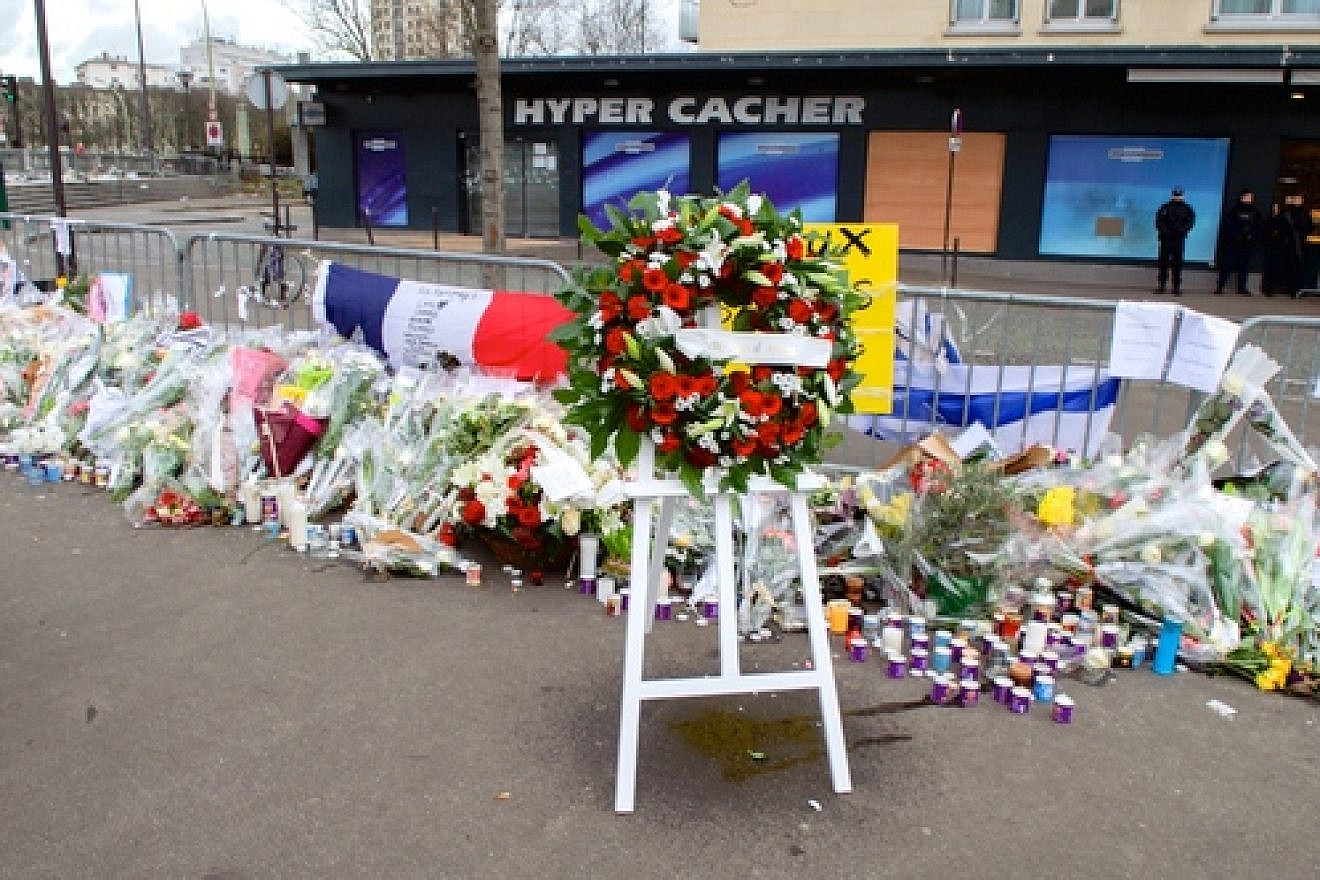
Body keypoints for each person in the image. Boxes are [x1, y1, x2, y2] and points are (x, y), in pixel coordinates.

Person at [1214, 189, 1265, 296]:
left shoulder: (1255, 212)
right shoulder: (1235, 211)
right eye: (1247, 197)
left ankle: (1241, 288)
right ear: (1242, 198)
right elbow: (1228, 226)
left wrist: (1251, 236)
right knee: (1227, 265)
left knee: (1244, 267)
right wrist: (1237, 235)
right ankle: (1220, 286)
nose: (1249, 199)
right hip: (1234, 244)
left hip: (1247, 244)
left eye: (1251, 197)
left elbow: (1259, 227)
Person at [1264, 192, 1314, 298]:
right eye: (1295, 199)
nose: (1297, 201)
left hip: (1297, 245)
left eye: (1299, 199)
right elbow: (1275, 225)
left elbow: (1310, 227)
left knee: (1295, 269)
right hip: (1284, 245)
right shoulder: (1285, 213)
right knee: (1278, 267)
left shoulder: (1304, 214)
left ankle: (1293, 290)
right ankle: (1271, 288)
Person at [1154, 186, 1195, 295]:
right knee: (1163, 263)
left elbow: (1190, 222)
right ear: (1172, 196)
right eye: (1175, 195)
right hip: (1165, 239)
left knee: (1177, 264)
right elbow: (1158, 221)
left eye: (1179, 195)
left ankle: (1176, 287)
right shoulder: (1165, 207)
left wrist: (1181, 230)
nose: (1177, 197)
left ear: (1182, 196)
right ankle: (1161, 285)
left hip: (1179, 239)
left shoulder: (1187, 209)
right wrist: (1166, 231)